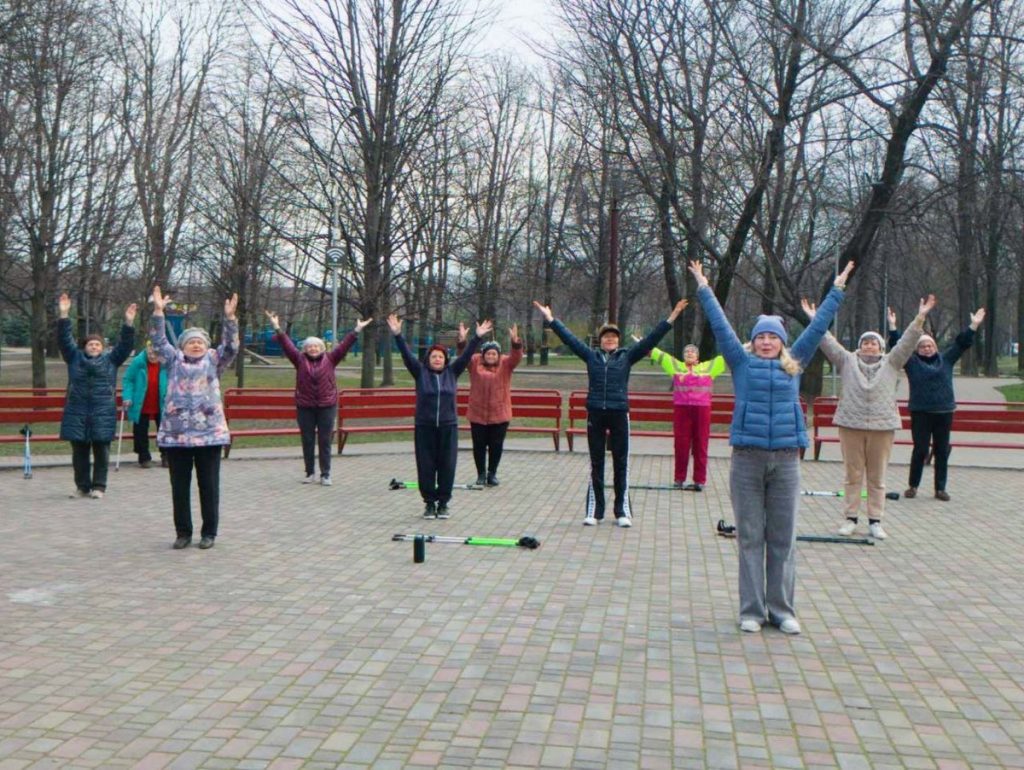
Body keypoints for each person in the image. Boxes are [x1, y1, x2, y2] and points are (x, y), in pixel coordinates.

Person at [691, 259, 854, 635]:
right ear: (753, 340)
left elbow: (817, 326)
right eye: (761, 336)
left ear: (782, 341)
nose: (766, 342)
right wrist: (703, 286)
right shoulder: (740, 362)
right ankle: (752, 610)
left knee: (782, 537)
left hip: (785, 462)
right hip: (747, 461)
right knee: (750, 536)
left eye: (773, 336)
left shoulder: (794, 363)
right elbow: (719, 324)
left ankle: (781, 610)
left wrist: (838, 288)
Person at [532, 298, 687, 528]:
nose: (610, 340)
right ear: (601, 340)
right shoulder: (591, 356)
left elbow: (651, 340)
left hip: (618, 413)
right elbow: (570, 340)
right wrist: (551, 320)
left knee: (620, 462)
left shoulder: (627, 356)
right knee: (596, 463)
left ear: (618, 340)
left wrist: (672, 317)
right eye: (606, 337)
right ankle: (595, 511)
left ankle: (622, 511)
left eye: (613, 337)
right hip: (595, 412)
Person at [804, 294, 936, 540]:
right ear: (859, 345)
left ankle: (875, 520)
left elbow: (907, 342)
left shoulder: (892, 362)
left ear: (881, 347)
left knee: (877, 477)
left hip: (882, 427)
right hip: (850, 426)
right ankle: (850, 519)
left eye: (873, 343)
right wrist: (815, 319)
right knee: (852, 475)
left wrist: (921, 316)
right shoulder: (846, 360)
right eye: (865, 342)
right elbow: (826, 341)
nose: (869, 346)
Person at [150, 286, 238, 550]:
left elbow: (231, 347)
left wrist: (230, 320)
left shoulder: (214, 360)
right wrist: (158, 312)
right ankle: (183, 532)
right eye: (191, 341)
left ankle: (209, 532)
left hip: (209, 434)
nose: (196, 345)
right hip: (176, 435)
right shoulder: (173, 360)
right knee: (179, 487)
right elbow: (158, 342)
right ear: (183, 345)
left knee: (208, 486)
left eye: (200, 341)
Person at [388, 314, 492, 519]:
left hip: (448, 427)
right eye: (434, 356)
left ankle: (443, 503)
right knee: (426, 466)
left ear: (445, 360)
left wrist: (477, 337)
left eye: (441, 357)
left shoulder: (452, 372)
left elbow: (466, 356)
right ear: (428, 359)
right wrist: (398, 335)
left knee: (447, 465)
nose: (437, 359)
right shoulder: (420, 372)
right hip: (425, 427)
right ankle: (429, 503)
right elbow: (407, 355)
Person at [888, 305, 986, 501]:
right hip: (921, 412)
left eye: (930, 345)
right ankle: (913, 485)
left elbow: (961, 344)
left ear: (935, 347)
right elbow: (899, 346)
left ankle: (940, 489)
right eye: (922, 346)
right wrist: (892, 327)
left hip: (944, 412)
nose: (926, 348)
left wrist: (973, 326)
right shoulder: (912, 361)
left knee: (942, 450)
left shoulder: (946, 360)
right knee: (920, 450)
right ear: (917, 349)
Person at [266, 311, 373, 485]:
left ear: (322, 348)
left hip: (327, 405)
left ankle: (326, 474)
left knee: (325, 440)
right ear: (305, 349)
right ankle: (309, 473)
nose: (313, 349)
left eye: (316, 346)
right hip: (305, 406)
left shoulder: (331, 359)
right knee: (307, 440)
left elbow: (344, 346)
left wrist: (357, 330)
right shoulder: (299, 359)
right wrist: (277, 327)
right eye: (310, 346)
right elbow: (286, 345)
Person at [57, 293, 137, 498]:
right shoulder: (74, 358)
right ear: (84, 346)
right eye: (91, 344)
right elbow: (64, 341)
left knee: (102, 452)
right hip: (77, 412)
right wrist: (64, 315)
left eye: (98, 344)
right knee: (79, 454)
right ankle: (82, 486)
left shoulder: (111, 361)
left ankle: (99, 487)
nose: (94, 346)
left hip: (103, 413)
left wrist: (128, 323)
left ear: (103, 348)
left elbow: (125, 346)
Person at [643, 328, 726, 490]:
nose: (689, 353)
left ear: (698, 356)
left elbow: (731, 354)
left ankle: (699, 480)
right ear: (683, 355)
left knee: (701, 444)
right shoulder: (675, 366)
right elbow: (659, 355)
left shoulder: (709, 367)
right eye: (687, 351)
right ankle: (679, 478)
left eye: (693, 351)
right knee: (681, 444)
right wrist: (644, 344)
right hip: (682, 410)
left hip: (702, 411)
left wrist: (747, 346)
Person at [456, 322, 523, 486]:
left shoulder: (506, 364)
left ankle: (492, 473)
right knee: (478, 446)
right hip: (478, 414)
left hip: (499, 414)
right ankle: (481, 474)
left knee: (496, 446)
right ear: (483, 354)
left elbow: (516, 357)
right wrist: (462, 340)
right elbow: (463, 355)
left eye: (494, 354)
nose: (491, 356)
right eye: (488, 354)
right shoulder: (474, 362)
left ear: (498, 355)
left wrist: (515, 342)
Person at [122, 343, 168, 468]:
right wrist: (127, 397)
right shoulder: (138, 361)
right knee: (140, 430)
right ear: (146, 351)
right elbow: (128, 379)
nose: (152, 356)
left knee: (165, 430)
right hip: (141, 401)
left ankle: (166, 455)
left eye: (156, 354)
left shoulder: (166, 363)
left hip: (162, 402)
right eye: (150, 353)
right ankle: (144, 457)